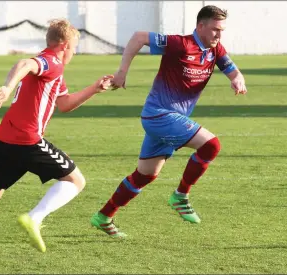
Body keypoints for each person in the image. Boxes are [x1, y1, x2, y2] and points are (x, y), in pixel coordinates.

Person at [0, 18, 114, 270]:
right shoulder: (52, 62)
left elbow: (65, 104)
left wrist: (94, 88)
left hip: (3, 141)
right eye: (74, 48)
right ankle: (34, 218)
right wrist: (7, 88)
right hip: (27, 141)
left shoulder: (52, 72)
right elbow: (24, 63)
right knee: (76, 180)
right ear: (64, 45)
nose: (74, 53)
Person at [90, 5, 247, 238]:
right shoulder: (181, 44)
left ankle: (103, 216)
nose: (219, 35)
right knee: (211, 145)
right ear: (201, 26)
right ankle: (180, 196)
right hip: (159, 115)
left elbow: (232, 69)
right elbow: (138, 37)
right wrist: (122, 71)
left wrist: (237, 79)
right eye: (215, 29)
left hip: (170, 119)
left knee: (145, 175)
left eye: (221, 30)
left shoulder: (215, 50)